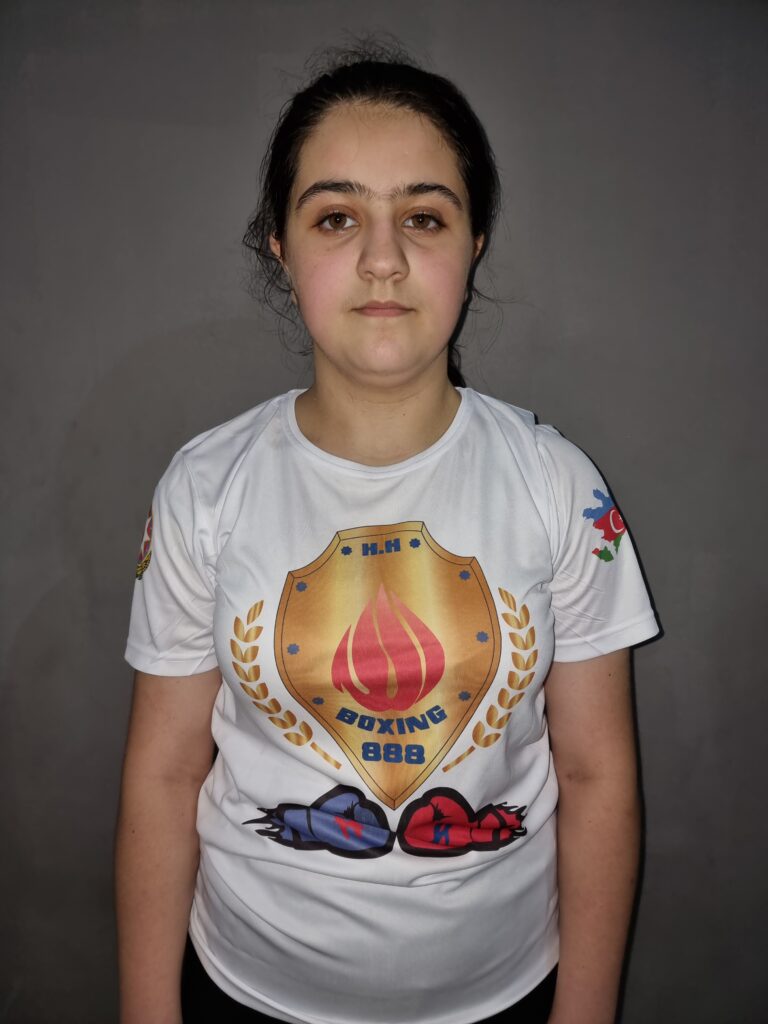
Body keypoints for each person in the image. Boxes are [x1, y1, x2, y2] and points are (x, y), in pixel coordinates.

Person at [115, 39, 659, 1024]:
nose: (382, 259)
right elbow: (163, 773)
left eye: (423, 216)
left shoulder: (558, 483)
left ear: (474, 241)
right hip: (245, 989)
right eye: (336, 217)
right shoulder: (204, 487)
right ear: (280, 247)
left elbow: (596, 773)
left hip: (508, 994)